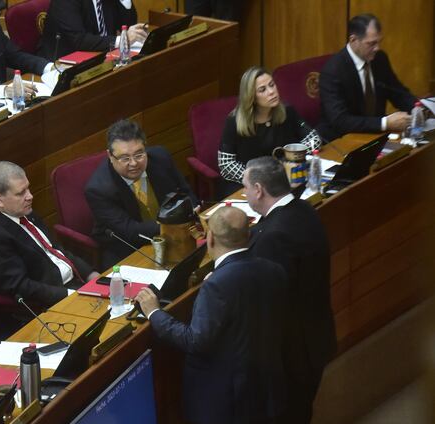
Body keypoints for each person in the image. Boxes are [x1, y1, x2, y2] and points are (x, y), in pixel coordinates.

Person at [135, 206, 286, 424]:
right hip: (265, 394)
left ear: (211, 238)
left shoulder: (218, 284)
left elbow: (196, 341)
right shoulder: (274, 271)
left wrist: (154, 313)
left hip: (225, 407)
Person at [242, 156, 337, 424]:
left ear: (259, 189)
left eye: (246, 188)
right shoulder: (301, 210)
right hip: (314, 340)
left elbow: (268, 300)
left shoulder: (275, 237)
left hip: (293, 355)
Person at [0, 161, 98, 309]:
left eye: (28, 188)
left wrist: (91, 274)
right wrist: (71, 295)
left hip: (76, 284)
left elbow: (56, 249)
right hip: (51, 303)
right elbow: (21, 287)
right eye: (21, 193)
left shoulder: (24, 212)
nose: (30, 196)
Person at [85, 119, 198, 268]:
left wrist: (193, 209)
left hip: (177, 236)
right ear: (110, 156)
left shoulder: (160, 158)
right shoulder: (98, 189)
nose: (133, 163)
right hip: (129, 248)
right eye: (125, 158)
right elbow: (131, 231)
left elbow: (185, 192)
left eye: (139, 154)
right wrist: (178, 222)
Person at [218, 66, 320, 194]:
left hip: (284, 180)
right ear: (251, 97)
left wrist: (292, 160)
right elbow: (226, 164)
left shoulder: (287, 111)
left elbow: (313, 139)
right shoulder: (234, 121)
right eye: (263, 90)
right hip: (248, 185)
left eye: (272, 85)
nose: (271, 91)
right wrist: (258, 179)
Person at [318, 13, 417, 141]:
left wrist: (418, 108)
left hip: (374, 134)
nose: (377, 48)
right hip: (341, 139)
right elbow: (340, 121)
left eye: (379, 42)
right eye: (371, 43)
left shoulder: (380, 59)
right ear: (353, 40)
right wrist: (385, 123)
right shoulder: (332, 71)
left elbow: (397, 92)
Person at [37, 0, 146, 60]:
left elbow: (127, 25)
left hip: (100, 56)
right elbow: (79, 40)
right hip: (63, 64)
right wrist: (122, 40)